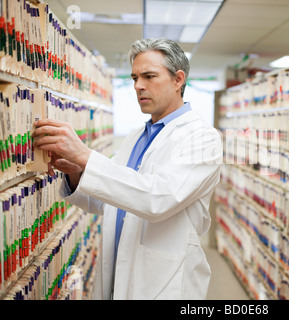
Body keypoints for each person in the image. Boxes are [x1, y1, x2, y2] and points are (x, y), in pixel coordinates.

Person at [32, 38, 223, 300]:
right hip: (117, 272)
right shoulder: (136, 137)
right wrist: (76, 171)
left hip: (164, 283)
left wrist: (86, 156)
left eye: (149, 76)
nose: (138, 86)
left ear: (178, 80)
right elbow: (112, 200)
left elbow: (158, 199)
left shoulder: (202, 138)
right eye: (134, 77)